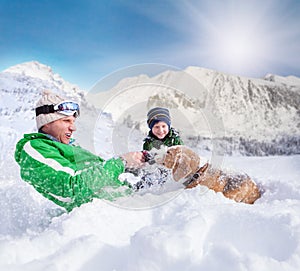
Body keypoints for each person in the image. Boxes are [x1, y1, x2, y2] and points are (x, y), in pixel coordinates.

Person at [14, 90, 144, 212]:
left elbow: (100, 175)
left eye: (73, 121)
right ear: (46, 123)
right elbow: (72, 188)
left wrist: (133, 166)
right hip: (105, 215)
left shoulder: (70, 147)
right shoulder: (34, 148)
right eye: (66, 121)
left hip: (129, 201)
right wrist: (121, 162)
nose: (73, 127)